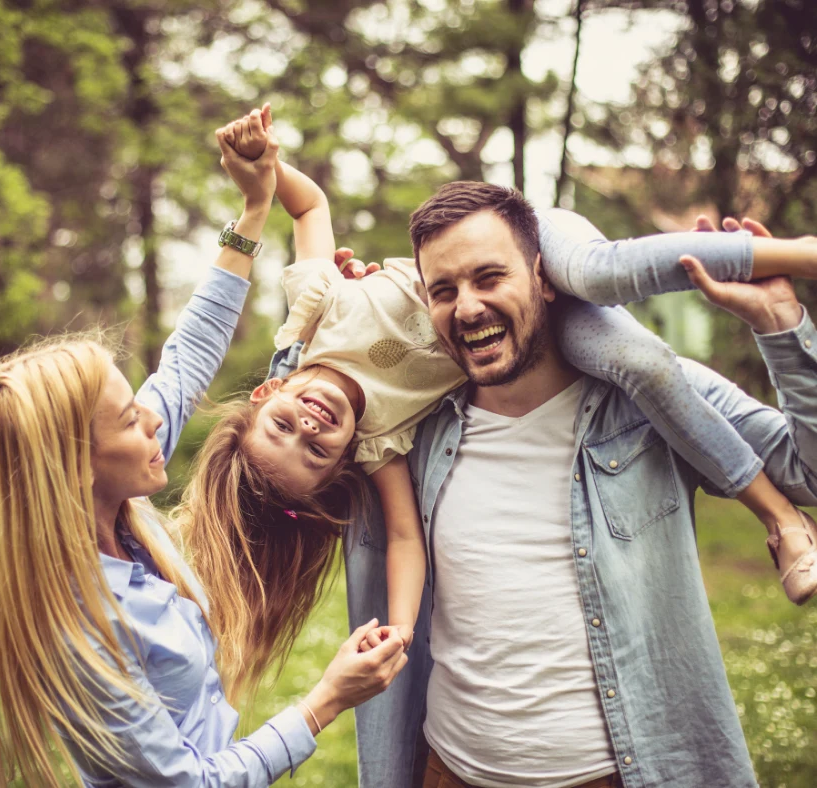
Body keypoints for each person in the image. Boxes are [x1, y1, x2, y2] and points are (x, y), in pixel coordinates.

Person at [191, 104, 816, 690]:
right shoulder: (381, 441)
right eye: (316, 453)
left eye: (282, 426)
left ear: (269, 391)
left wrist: (265, 174)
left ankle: (801, 254)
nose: (310, 427)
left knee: (599, 273)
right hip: (526, 317)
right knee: (639, 362)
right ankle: (780, 516)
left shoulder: (316, 310)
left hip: (518, 237)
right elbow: (406, 539)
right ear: (341, 461)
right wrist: (402, 628)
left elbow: (309, 210)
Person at [0, 120, 407, 788]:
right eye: (129, 417)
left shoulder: (117, 483)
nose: (154, 414)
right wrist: (325, 702)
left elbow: (188, 356)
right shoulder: (80, 630)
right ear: (77, 465)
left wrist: (253, 210)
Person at [337, 183, 817, 788]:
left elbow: (808, 473)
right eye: (444, 290)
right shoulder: (415, 431)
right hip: (449, 770)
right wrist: (327, 334)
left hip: (619, 774)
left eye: (489, 278)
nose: (467, 307)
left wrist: (781, 325)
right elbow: (293, 454)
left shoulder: (656, 401)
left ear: (544, 278)